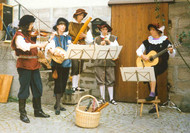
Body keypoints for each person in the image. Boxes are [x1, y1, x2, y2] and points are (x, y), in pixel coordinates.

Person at [11, 15, 50, 123]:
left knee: (38, 87)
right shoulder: (19, 35)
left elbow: (34, 46)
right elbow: (23, 46)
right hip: (24, 65)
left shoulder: (29, 35)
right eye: (31, 24)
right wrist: (38, 44)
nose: (32, 26)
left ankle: (38, 111)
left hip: (35, 64)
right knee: (24, 89)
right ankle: (22, 114)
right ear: (26, 25)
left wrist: (41, 44)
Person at [136, 24, 176, 113]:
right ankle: (155, 105)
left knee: (152, 72)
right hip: (150, 64)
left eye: (153, 30)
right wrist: (143, 56)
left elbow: (172, 55)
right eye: (150, 30)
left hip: (162, 64)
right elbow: (138, 51)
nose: (151, 31)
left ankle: (152, 93)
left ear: (158, 31)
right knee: (151, 74)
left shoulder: (165, 41)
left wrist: (171, 51)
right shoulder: (148, 41)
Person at [45, 17, 71, 115]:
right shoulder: (53, 37)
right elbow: (49, 48)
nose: (63, 26)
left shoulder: (68, 37)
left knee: (64, 83)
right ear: (57, 26)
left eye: (64, 25)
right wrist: (54, 52)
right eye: (61, 25)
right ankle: (58, 105)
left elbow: (70, 48)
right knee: (58, 83)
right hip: (57, 64)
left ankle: (57, 104)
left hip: (67, 63)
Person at [94, 21, 119, 105]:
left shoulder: (113, 38)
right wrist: (100, 45)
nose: (104, 31)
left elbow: (116, 48)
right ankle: (102, 98)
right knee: (100, 80)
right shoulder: (97, 39)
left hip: (109, 61)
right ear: (100, 30)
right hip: (99, 62)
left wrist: (109, 43)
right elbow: (94, 50)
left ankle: (111, 98)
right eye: (103, 29)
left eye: (106, 29)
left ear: (108, 30)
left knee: (110, 79)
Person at [68, 8, 93, 92]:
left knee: (80, 67)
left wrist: (85, 36)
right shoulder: (70, 24)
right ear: (76, 16)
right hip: (74, 47)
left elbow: (90, 40)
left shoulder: (85, 26)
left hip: (82, 47)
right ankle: (73, 86)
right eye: (80, 15)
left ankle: (77, 86)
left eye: (82, 15)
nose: (81, 17)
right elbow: (66, 36)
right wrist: (71, 43)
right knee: (75, 66)